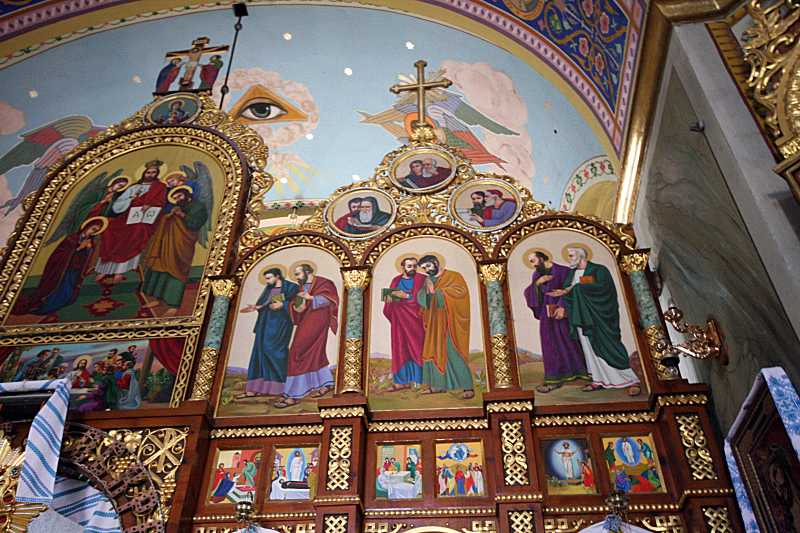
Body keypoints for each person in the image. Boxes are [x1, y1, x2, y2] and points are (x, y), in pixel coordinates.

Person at [547, 247, 641, 396]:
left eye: (571, 256)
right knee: (589, 348)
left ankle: (631, 380)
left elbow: (604, 288)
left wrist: (575, 288)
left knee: (609, 345)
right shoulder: (572, 273)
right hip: (582, 318)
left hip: (599, 317)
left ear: (581, 256)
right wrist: (564, 293)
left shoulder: (599, 270)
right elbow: (569, 291)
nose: (569, 259)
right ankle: (598, 380)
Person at [13, 217, 107, 317]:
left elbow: (87, 257)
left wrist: (89, 249)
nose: (92, 232)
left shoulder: (89, 241)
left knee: (69, 294)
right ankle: (45, 308)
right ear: (87, 227)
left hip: (75, 269)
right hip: (62, 270)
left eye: (95, 231)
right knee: (60, 290)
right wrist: (80, 247)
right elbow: (60, 253)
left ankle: (55, 306)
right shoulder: (72, 238)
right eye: (93, 229)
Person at [523, 250, 588, 392]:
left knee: (569, 341)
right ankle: (553, 379)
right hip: (546, 314)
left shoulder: (563, 271)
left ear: (541, 258)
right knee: (550, 344)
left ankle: (580, 374)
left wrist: (563, 306)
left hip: (563, 311)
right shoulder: (537, 275)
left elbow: (572, 289)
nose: (533, 265)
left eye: (533, 261)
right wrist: (537, 284)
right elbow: (529, 293)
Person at [274, 264, 338, 408]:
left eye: (298, 274)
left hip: (318, 320)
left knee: (297, 352)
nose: (296, 277)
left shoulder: (324, 282)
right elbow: (298, 308)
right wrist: (295, 306)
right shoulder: (301, 288)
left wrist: (311, 297)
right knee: (315, 352)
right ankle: (325, 383)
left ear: (307, 272)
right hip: (306, 320)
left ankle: (294, 394)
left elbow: (332, 299)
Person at [95, 160, 168, 284]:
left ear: (157, 173)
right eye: (148, 172)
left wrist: (149, 204)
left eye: (153, 172)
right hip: (128, 216)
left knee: (136, 231)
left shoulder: (160, 187)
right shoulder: (134, 187)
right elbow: (118, 206)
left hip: (145, 219)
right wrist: (130, 199)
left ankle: (120, 271)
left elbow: (161, 202)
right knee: (110, 229)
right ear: (144, 173)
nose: (150, 174)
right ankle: (105, 269)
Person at [141, 185, 209, 315]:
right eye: (175, 198)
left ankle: (174, 305)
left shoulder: (198, 207)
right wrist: (169, 216)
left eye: (180, 196)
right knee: (161, 269)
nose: (178, 199)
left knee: (177, 271)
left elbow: (195, 224)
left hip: (182, 243)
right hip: (168, 242)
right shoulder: (176, 207)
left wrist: (181, 215)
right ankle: (158, 299)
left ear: (187, 195)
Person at [415, 255, 474, 399]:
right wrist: (427, 292)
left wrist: (437, 292)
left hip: (449, 322)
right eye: (424, 268)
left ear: (436, 262)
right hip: (434, 323)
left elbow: (461, 293)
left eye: (428, 266)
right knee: (434, 351)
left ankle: (467, 387)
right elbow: (423, 300)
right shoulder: (428, 281)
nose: (427, 270)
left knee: (452, 351)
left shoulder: (454, 276)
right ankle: (437, 386)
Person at [239, 268, 299, 397]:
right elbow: (267, 303)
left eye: (269, 278)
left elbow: (298, 303)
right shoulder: (269, 288)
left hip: (281, 324)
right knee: (260, 351)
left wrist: (283, 304)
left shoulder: (291, 287)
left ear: (277, 276)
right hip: (265, 323)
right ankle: (256, 389)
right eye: (266, 278)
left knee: (273, 350)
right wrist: (257, 307)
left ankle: (279, 387)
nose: (267, 281)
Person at [382, 257, 426, 390]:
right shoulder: (396, 280)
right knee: (401, 349)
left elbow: (425, 299)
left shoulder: (422, 279)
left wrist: (407, 297)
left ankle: (419, 380)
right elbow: (388, 301)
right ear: (403, 267)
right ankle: (402, 382)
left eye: (414, 266)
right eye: (409, 266)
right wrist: (391, 298)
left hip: (416, 321)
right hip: (399, 322)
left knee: (417, 348)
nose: (412, 269)